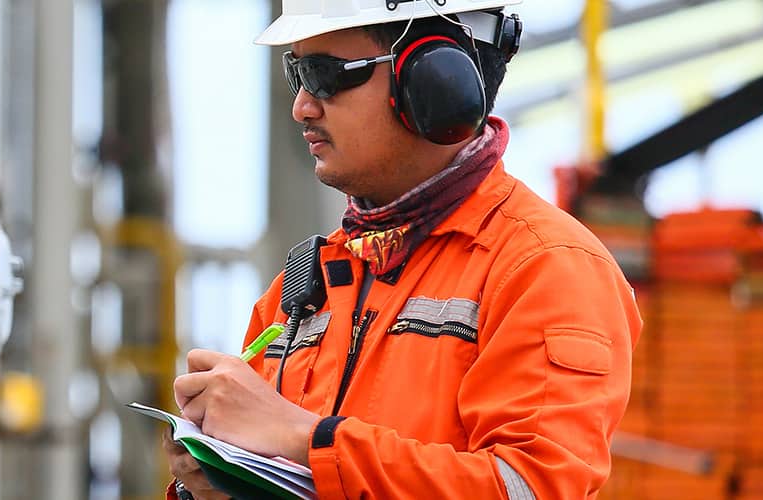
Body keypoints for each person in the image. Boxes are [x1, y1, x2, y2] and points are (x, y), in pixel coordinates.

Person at [165, 0, 641, 498]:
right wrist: (212, 482)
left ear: (433, 81)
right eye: (296, 75)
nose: (302, 106)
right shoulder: (306, 284)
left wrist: (305, 439)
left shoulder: (544, 267)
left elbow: (532, 488)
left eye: (324, 74)